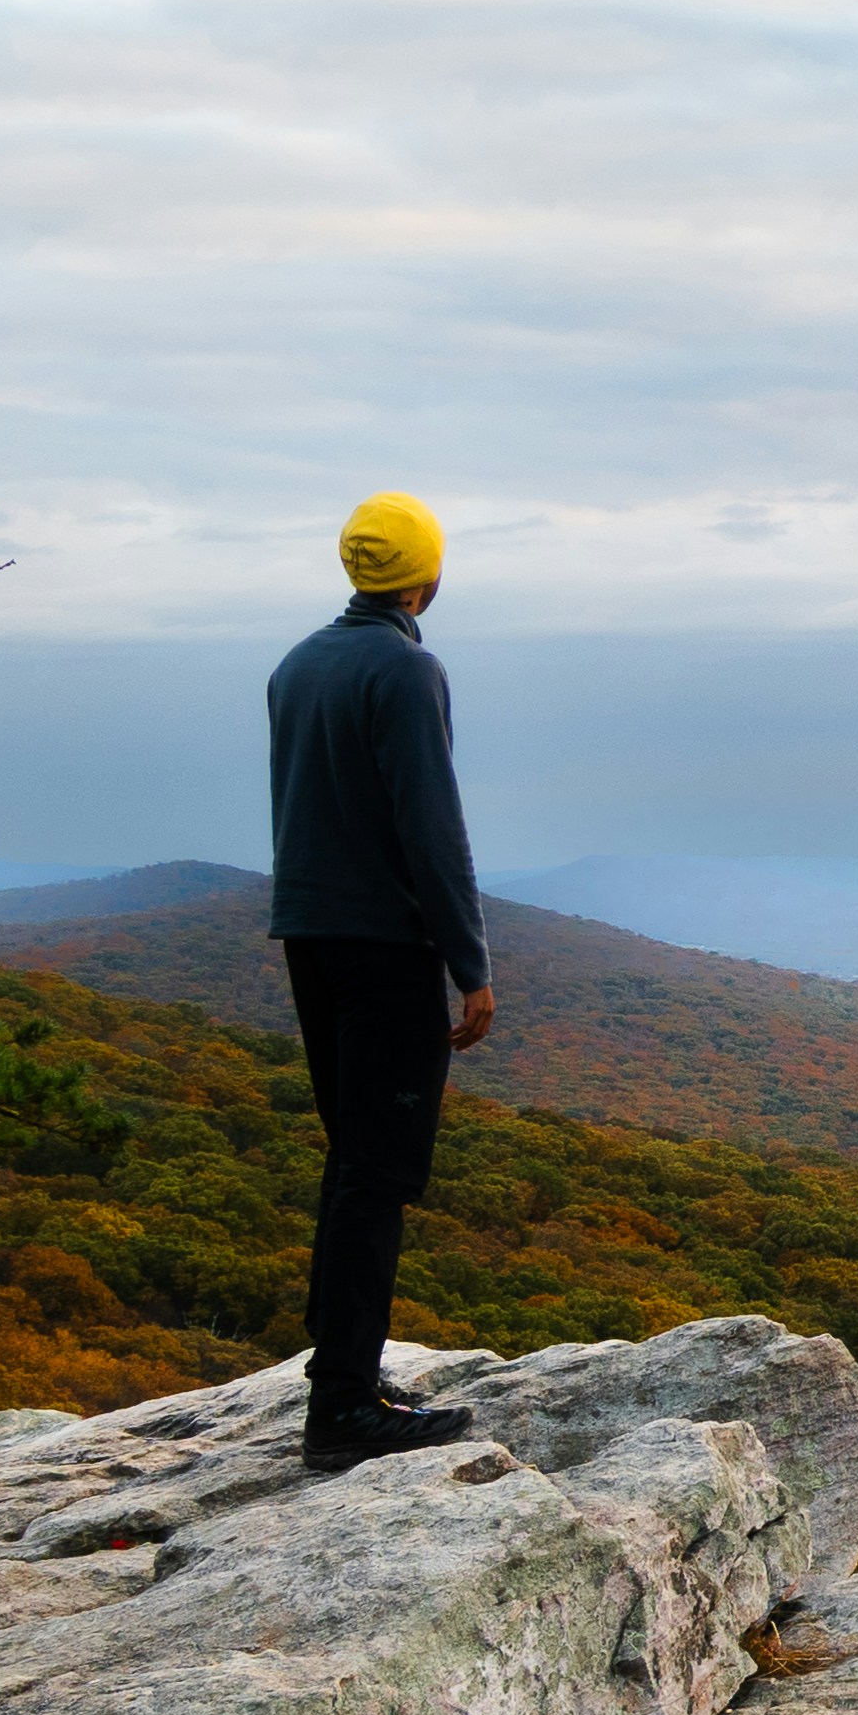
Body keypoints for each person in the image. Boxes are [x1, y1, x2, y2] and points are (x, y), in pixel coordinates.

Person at [267, 491, 495, 1468]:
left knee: (351, 1155)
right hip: (384, 950)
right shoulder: (405, 671)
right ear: (424, 575)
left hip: (309, 934)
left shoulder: (299, 664)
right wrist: (468, 964)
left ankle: (344, 1372)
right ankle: (344, 1408)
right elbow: (429, 828)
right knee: (378, 1170)